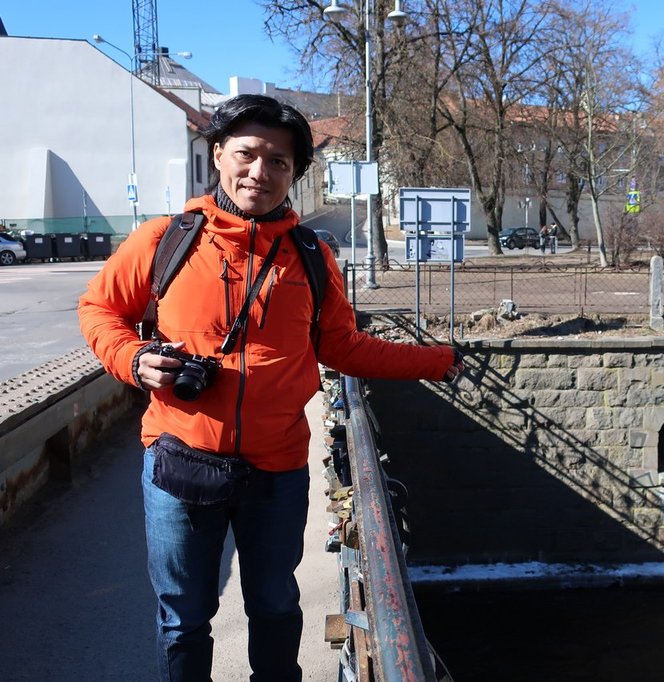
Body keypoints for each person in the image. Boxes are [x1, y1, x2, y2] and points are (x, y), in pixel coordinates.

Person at [78, 94, 463, 682]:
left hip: (276, 470)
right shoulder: (164, 240)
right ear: (218, 155)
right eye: (247, 154)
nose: (260, 171)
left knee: (276, 606)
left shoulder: (310, 256)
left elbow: (343, 348)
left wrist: (436, 361)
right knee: (182, 619)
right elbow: (99, 309)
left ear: (295, 173)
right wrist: (132, 358)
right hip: (180, 459)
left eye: (279, 161)